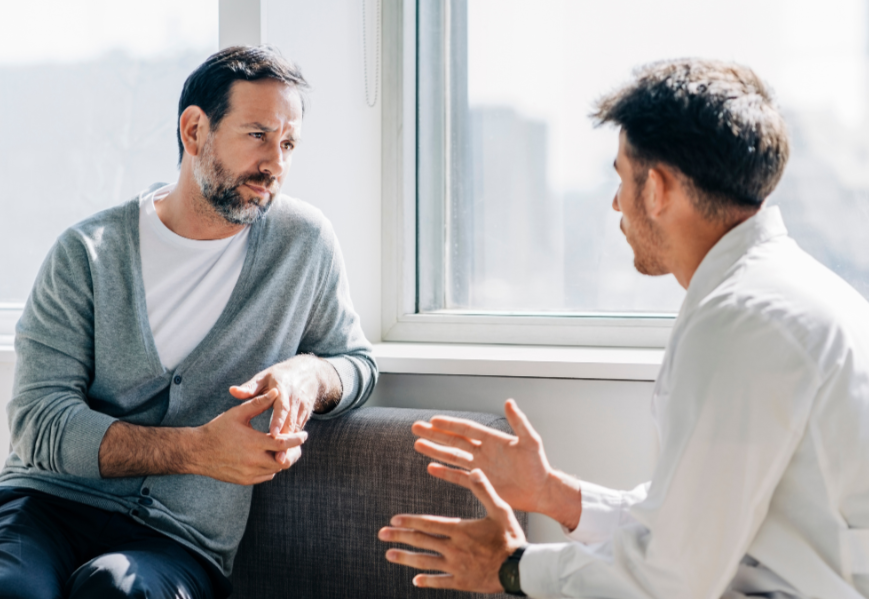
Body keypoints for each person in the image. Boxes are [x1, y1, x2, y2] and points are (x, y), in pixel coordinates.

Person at [378, 59, 869, 599]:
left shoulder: (741, 322)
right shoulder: (782, 294)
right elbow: (696, 524)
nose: (616, 202)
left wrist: (509, 568)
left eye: (621, 177)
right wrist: (555, 495)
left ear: (656, 188)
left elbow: (670, 578)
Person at [0, 46, 377, 599]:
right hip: (46, 507)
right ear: (195, 130)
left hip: (178, 541)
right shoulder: (89, 253)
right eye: (257, 135)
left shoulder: (303, 243)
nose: (276, 163)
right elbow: (38, 421)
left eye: (288, 143)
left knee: (115, 591)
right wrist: (196, 450)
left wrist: (310, 375)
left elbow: (358, 364)